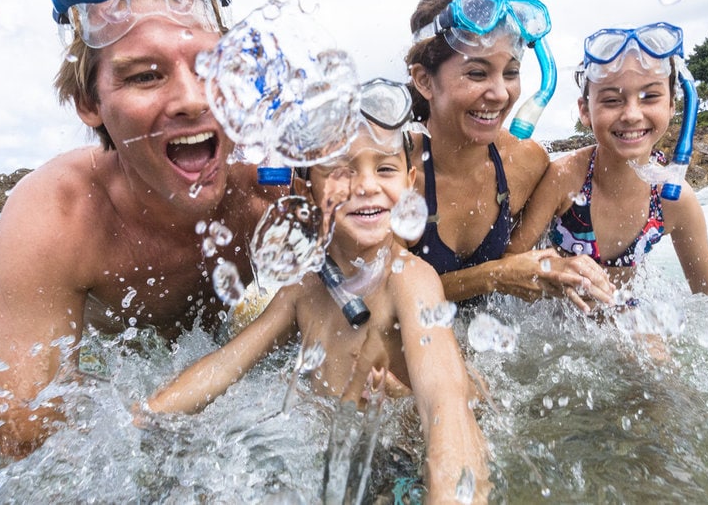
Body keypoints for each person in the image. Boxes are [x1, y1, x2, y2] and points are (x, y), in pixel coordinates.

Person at [0, 0, 283, 458]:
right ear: (90, 104)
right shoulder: (58, 216)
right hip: (123, 378)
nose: (192, 99)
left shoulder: (272, 188)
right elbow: (15, 444)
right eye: (145, 75)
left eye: (211, 68)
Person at [147, 81, 491, 503]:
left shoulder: (408, 279)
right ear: (307, 189)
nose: (365, 185)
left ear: (410, 182)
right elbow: (226, 364)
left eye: (385, 169)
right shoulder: (305, 287)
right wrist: (151, 414)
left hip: (403, 463)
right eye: (341, 170)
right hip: (331, 457)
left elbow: (446, 406)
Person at [404, 0, 617, 311]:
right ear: (424, 80)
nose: (501, 94)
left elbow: (541, 256)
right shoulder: (393, 172)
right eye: (477, 73)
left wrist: (574, 275)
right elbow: (386, 298)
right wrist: (496, 275)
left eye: (511, 73)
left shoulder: (525, 162)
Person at [510, 22, 708, 301]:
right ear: (585, 111)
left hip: (622, 315)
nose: (631, 114)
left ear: (672, 105)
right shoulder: (564, 178)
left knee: (647, 336)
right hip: (555, 318)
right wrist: (554, 266)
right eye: (612, 100)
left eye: (650, 97)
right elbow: (509, 263)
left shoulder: (674, 199)